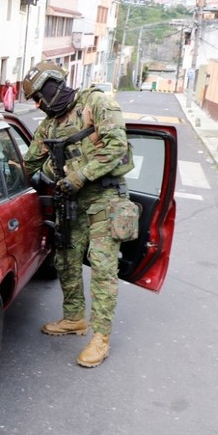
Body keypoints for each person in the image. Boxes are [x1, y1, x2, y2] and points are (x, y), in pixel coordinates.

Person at [20, 62, 134, 368]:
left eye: (38, 97)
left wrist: (80, 175)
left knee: (102, 266)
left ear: (51, 87)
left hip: (105, 199)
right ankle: (73, 319)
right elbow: (29, 165)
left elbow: (117, 147)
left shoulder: (96, 103)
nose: (38, 105)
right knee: (66, 260)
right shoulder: (49, 126)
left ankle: (100, 337)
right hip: (69, 201)